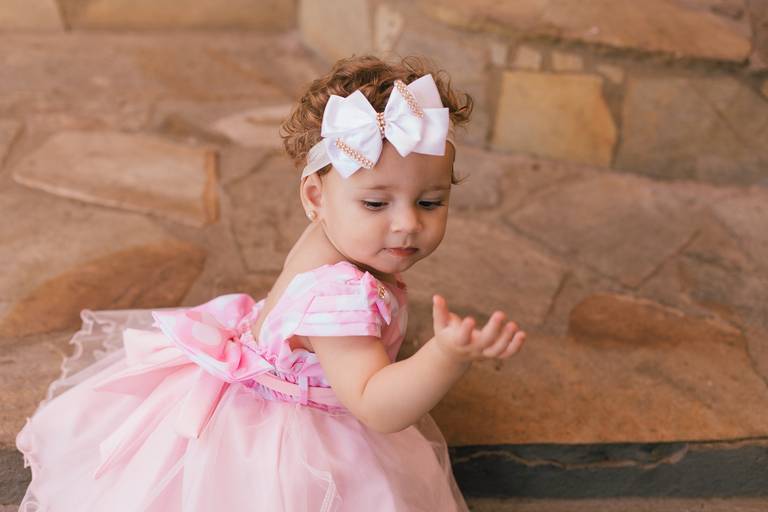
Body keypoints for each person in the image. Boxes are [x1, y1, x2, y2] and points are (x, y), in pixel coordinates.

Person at [15, 54, 527, 511]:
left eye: (430, 202)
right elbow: (375, 406)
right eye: (376, 203)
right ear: (315, 197)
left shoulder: (329, 232)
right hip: (292, 445)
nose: (407, 223)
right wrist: (445, 356)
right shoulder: (341, 298)